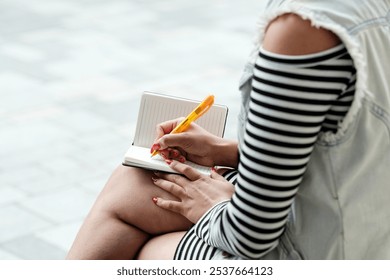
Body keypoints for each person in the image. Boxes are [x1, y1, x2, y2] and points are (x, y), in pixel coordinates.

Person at [67, 0, 390, 260]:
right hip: (368, 219)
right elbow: (360, 142)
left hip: (327, 251)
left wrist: (215, 207)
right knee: (137, 179)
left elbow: (250, 236)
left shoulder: (302, 28)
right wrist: (227, 151)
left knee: (151, 250)